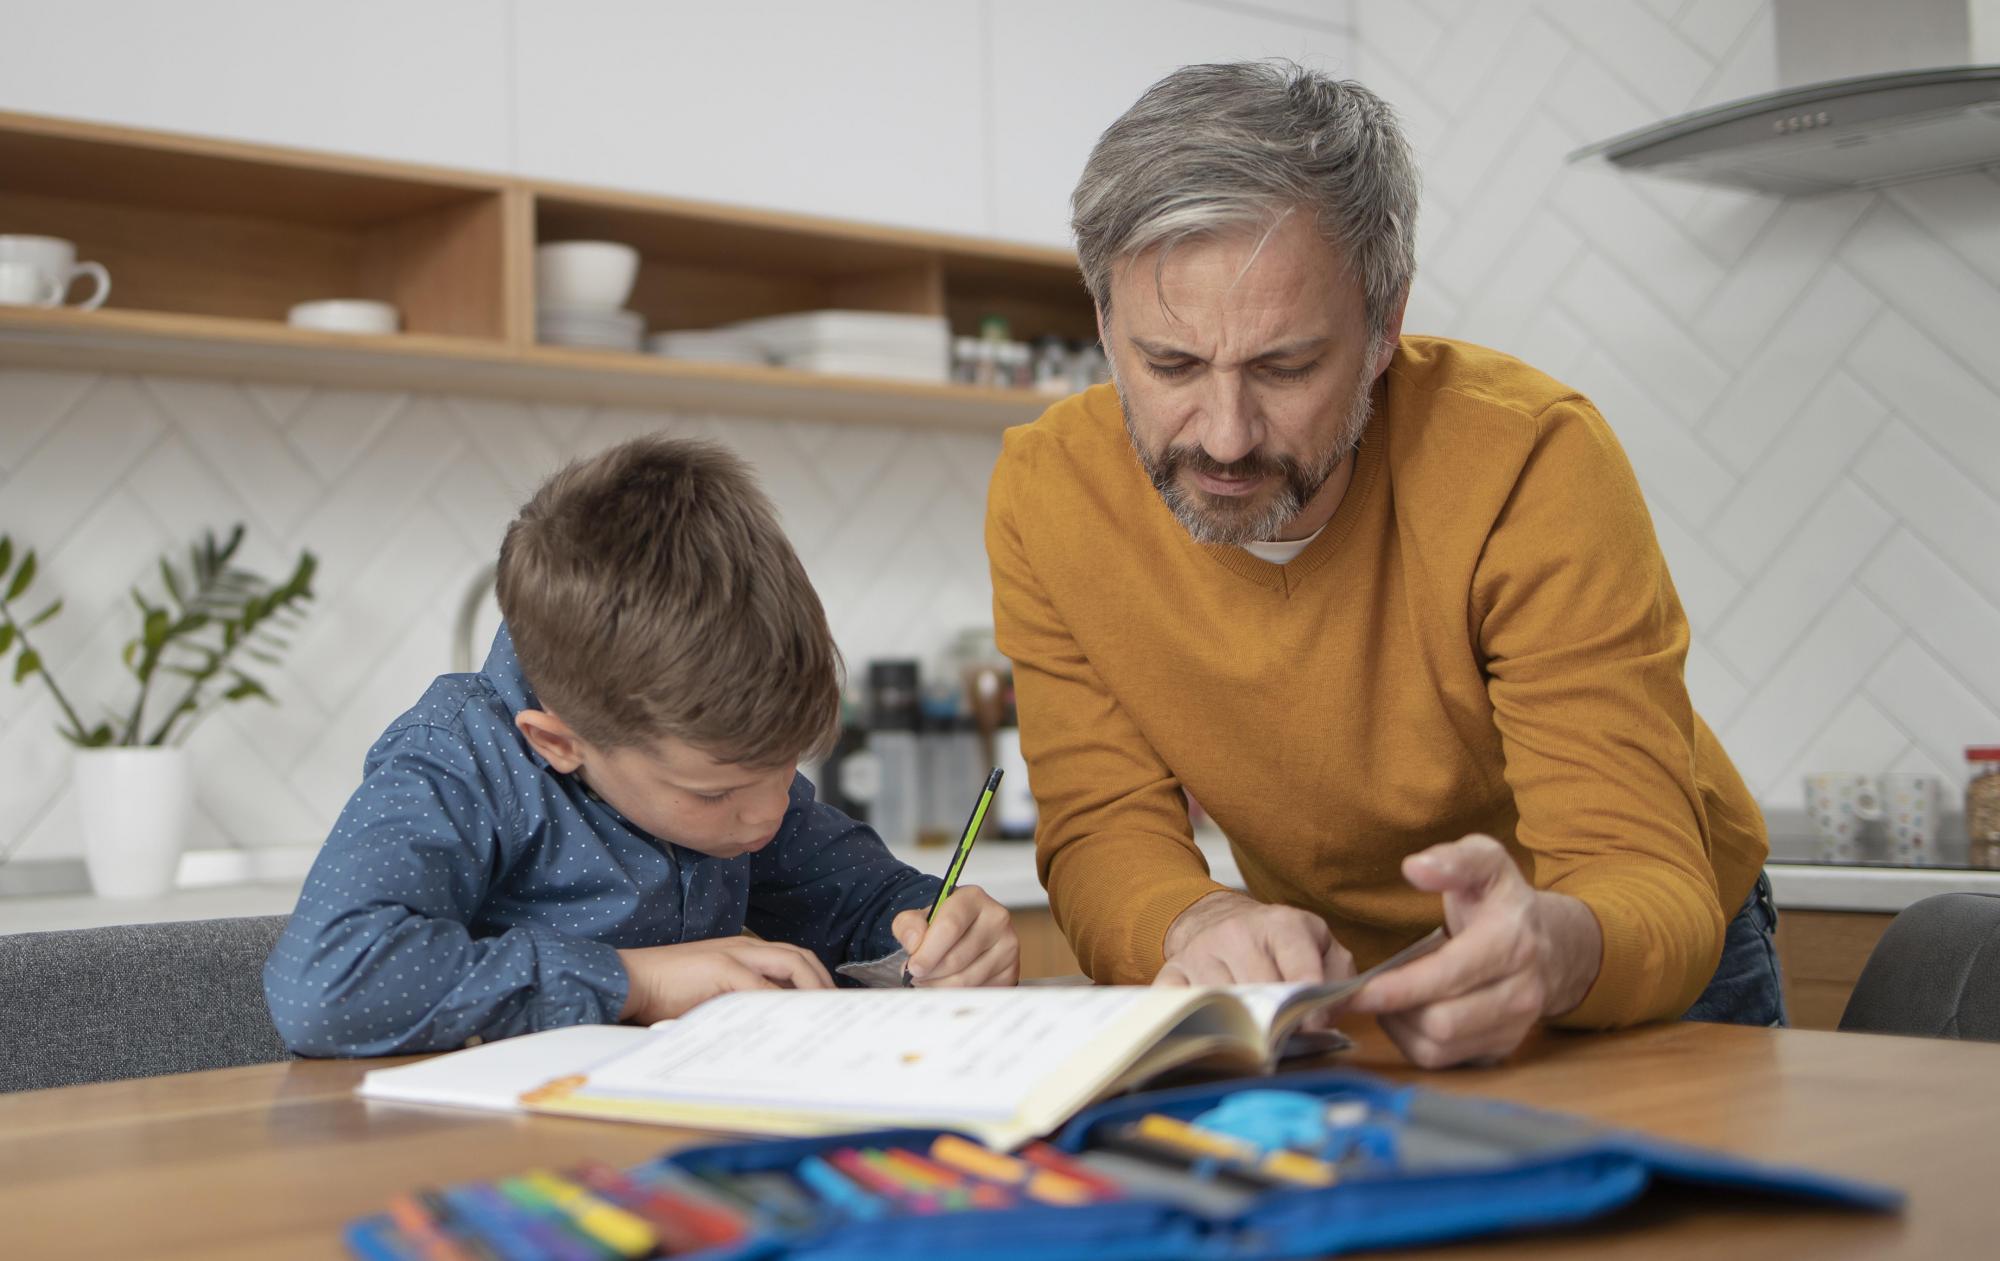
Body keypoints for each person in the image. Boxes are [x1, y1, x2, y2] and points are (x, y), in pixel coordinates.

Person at [985, 61, 1779, 1069]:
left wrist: (1548, 943)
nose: (1225, 438)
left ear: (1381, 325)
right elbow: (1101, 825)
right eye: (1171, 365)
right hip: (1341, 989)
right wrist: (1191, 921)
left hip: (1620, 964)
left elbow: (1635, 870)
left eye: (1283, 367)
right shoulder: (1047, 493)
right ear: (1103, 325)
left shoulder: (1529, 459)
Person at [267, 436, 1017, 1056]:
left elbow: (865, 901)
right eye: (714, 793)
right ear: (559, 742)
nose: (766, 814)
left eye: (787, 764)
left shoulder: (740, 778)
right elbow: (324, 984)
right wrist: (637, 981)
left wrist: (943, 929)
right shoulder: (458, 760)